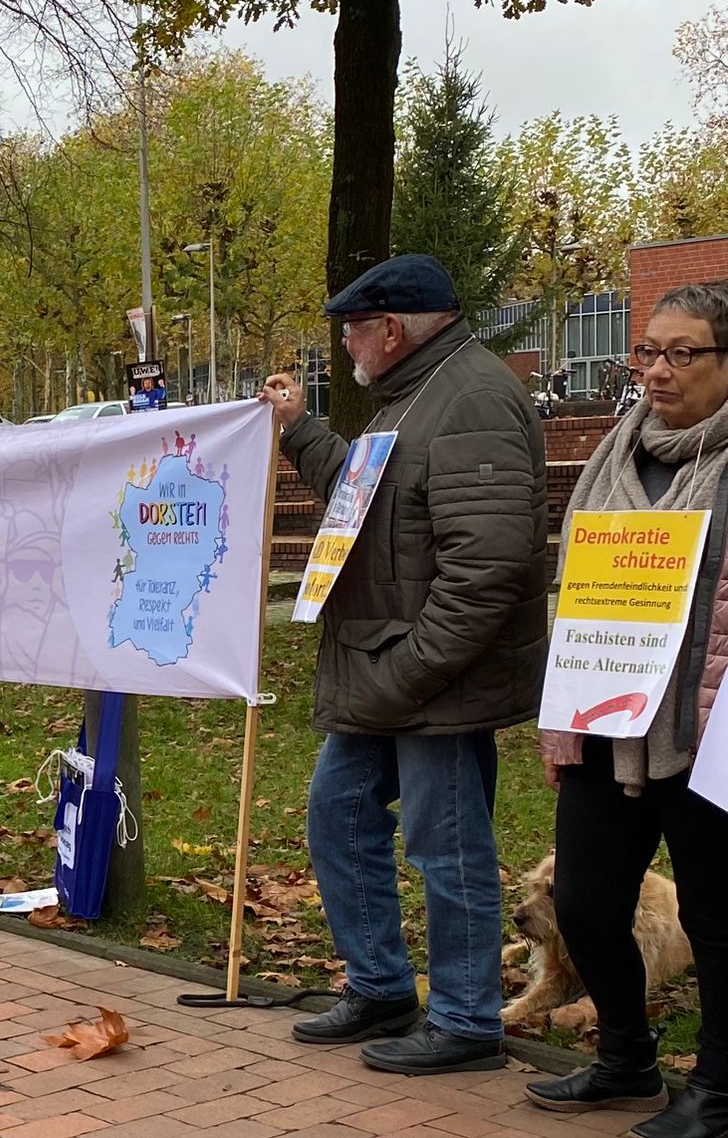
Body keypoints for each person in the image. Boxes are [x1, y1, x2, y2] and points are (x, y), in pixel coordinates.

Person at [260, 254, 546, 1076]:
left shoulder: (473, 401)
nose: (343, 344)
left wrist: (409, 675)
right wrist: (299, 429)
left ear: (390, 329)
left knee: (445, 844)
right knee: (338, 813)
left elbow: (484, 574)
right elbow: (365, 500)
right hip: (396, 671)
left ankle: (464, 1020)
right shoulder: (417, 395)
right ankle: (383, 985)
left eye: (351, 329)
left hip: (434, 680)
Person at [527, 282, 728, 1132]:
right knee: (584, 901)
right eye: (647, 351)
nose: (657, 370)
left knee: (714, 915)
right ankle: (624, 1058)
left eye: (684, 353)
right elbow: (575, 592)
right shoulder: (617, 454)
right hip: (610, 713)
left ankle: (718, 1092)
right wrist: (560, 711)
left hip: (708, 724)